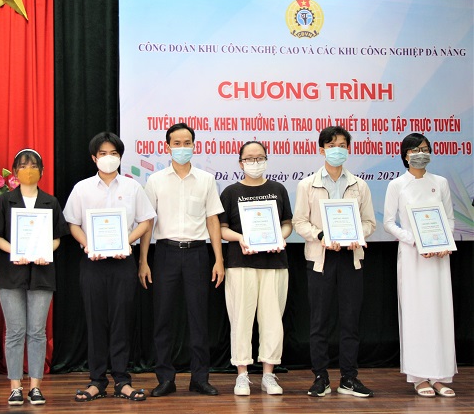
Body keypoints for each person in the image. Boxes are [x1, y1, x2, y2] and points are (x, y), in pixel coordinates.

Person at [63, 132, 155, 402]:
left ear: (120, 157)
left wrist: (123, 243)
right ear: (94, 158)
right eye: (103, 154)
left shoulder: (132, 187)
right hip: (92, 264)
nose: (108, 158)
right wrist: (89, 245)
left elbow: (145, 222)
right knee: (95, 321)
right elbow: (73, 224)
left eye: (113, 154)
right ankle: (97, 380)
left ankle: (122, 380)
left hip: (122, 263)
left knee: (121, 321)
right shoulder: (82, 188)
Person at [139, 122, 225, 397]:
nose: (182, 147)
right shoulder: (155, 180)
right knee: (163, 317)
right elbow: (147, 223)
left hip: (198, 254)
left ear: (194, 145)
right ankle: (165, 378)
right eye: (177, 143)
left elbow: (213, 220)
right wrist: (143, 260)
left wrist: (218, 259)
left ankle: (200, 378)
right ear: (167, 147)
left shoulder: (206, 180)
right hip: (165, 253)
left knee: (199, 318)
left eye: (187, 142)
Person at [292, 125, 375, 398]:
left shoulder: (359, 185)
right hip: (320, 259)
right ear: (321, 149)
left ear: (348, 149)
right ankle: (321, 378)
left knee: (351, 322)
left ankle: (349, 378)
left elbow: (369, 222)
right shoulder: (307, 184)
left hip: (351, 259)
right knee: (319, 323)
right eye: (331, 145)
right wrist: (320, 235)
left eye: (342, 144)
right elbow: (299, 221)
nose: (337, 149)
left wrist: (357, 235)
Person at [0, 149, 69, 405]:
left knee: (36, 331)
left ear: (42, 172)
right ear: (15, 171)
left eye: (33, 165)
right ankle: (14, 386)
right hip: (12, 274)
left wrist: (45, 251)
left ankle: (34, 385)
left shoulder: (50, 202)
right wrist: (16, 250)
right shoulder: (5, 200)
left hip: (42, 273)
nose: (28, 169)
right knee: (14, 330)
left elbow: (57, 238)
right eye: (23, 165)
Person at [383, 133, 457, 397]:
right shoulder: (397, 185)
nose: (420, 153)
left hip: (439, 257)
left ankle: (439, 376)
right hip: (414, 256)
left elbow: (448, 219)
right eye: (415, 150)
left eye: (425, 149)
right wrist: (414, 240)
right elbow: (389, 222)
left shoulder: (441, 182)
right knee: (416, 313)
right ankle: (418, 377)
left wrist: (442, 242)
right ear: (405, 155)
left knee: (439, 312)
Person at [219, 141, 293, 396]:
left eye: (259, 157)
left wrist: (280, 238)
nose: (255, 162)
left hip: (274, 264)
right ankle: (242, 374)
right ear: (240, 163)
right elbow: (221, 229)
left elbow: (287, 224)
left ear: (266, 159)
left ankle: (269, 375)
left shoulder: (277, 189)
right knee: (241, 319)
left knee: (273, 320)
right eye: (249, 159)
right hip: (241, 264)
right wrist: (241, 238)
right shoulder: (230, 192)